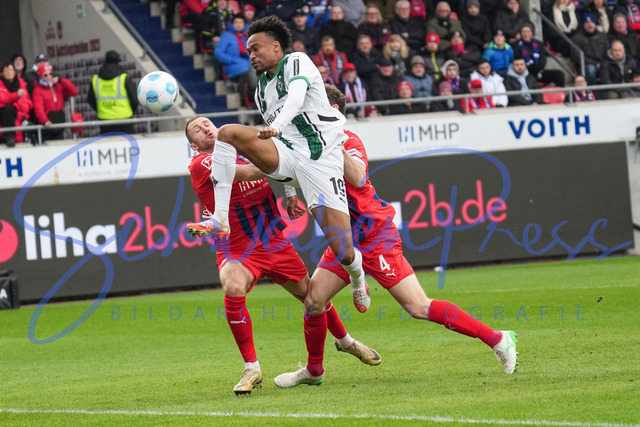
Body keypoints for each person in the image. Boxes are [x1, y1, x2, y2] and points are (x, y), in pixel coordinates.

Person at [272, 84, 518, 388]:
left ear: (330, 111)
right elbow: (283, 165)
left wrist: (332, 137)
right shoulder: (307, 144)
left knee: (417, 307)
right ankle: (314, 370)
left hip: (375, 234)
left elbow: (357, 177)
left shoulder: (347, 139)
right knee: (313, 301)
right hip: (345, 236)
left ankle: (498, 339)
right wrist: (286, 190)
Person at [186, 16, 371, 314]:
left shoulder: (297, 61)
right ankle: (219, 216)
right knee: (228, 133)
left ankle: (357, 275)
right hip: (289, 155)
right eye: (249, 51)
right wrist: (289, 192)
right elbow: (282, 140)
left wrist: (278, 126)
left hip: (321, 159)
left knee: (344, 252)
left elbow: (295, 99)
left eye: (256, 48)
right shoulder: (261, 90)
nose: (251, 55)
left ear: (276, 46)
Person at [184, 115, 380, 395]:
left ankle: (345, 341)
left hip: (273, 241)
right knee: (233, 285)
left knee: (313, 296)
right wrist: (280, 157)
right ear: (194, 145)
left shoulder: (241, 149)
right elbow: (255, 171)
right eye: (197, 129)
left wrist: (289, 191)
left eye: (207, 123)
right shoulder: (201, 163)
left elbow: (278, 163)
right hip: (238, 247)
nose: (205, 128)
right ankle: (251, 368)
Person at [87, 50, 138, 135]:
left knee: (109, 142)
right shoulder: (124, 78)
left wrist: (101, 110)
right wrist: (131, 111)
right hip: (125, 119)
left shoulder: (96, 79)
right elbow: (134, 98)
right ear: (118, 61)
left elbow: (90, 99)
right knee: (128, 143)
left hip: (105, 120)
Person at [215, 14, 257, 106]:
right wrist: (231, 60)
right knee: (248, 74)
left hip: (249, 64)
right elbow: (218, 53)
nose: (238, 25)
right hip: (233, 65)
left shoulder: (248, 36)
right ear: (232, 24)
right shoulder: (226, 35)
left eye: (241, 22)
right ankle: (247, 98)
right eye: (236, 22)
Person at [32, 63, 79, 141]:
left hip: (60, 125)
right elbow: (38, 108)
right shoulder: (38, 90)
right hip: (47, 127)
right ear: (40, 77)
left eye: (50, 74)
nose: (49, 77)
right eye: (45, 75)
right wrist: (44, 120)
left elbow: (74, 91)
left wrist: (61, 80)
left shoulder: (58, 86)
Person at [515, 23, 566, 87]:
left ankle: (560, 93)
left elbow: (542, 61)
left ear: (532, 33)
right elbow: (519, 61)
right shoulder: (517, 46)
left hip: (539, 72)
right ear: (521, 34)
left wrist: (536, 69)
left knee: (559, 75)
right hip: (525, 73)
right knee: (530, 80)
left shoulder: (539, 44)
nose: (526, 34)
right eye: (523, 32)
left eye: (528, 31)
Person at [571, 14, 610, 86]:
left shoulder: (602, 36)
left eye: (592, 22)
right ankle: (592, 91)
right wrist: (595, 63)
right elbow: (577, 57)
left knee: (611, 67)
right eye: (587, 23)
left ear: (595, 24)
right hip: (585, 66)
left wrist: (603, 63)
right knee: (591, 69)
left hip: (602, 63)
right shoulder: (577, 38)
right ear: (583, 25)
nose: (590, 25)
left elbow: (608, 52)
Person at [0, 62, 32, 147]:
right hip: (4, 121)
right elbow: (2, 99)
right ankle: (9, 138)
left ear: (14, 72)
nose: (9, 72)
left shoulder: (21, 83)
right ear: (2, 73)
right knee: (8, 108)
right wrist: (16, 96)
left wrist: (23, 112)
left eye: (11, 70)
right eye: (6, 70)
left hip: (20, 119)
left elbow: (26, 102)